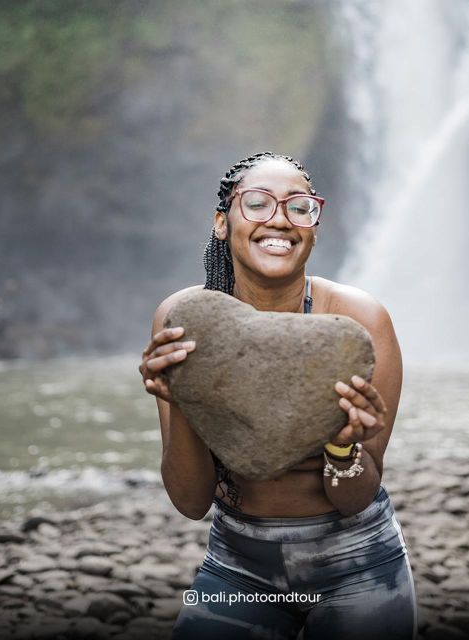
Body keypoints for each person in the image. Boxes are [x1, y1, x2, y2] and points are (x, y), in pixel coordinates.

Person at [139, 151, 417, 639]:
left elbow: (356, 496)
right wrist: (182, 396)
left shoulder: (360, 322)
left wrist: (340, 442)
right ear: (222, 223)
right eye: (259, 203)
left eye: (299, 206)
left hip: (357, 561)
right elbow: (190, 501)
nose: (280, 220)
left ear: (314, 225)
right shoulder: (185, 322)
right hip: (238, 563)